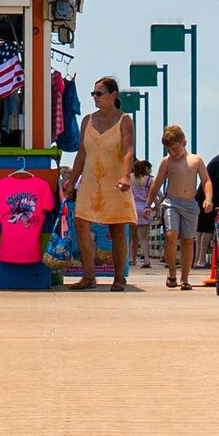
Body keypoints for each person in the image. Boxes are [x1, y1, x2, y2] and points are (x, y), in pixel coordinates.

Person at [72, 76, 140, 290]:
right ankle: (89, 276)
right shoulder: (87, 121)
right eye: (93, 93)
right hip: (91, 181)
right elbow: (81, 154)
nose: (95, 97)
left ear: (113, 95)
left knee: (117, 228)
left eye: (99, 93)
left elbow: (128, 150)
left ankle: (119, 278)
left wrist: (125, 175)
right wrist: (71, 182)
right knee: (81, 224)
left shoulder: (124, 120)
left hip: (114, 181)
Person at [156, 126, 207, 288]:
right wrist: (148, 204)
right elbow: (157, 183)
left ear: (184, 142)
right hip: (171, 202)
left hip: (190, 204)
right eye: (169, 150)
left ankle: (185, 278)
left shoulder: (196, 160)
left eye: (175, 149)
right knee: (171, 235)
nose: (173, 153)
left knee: (187, 240)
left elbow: (206, 181)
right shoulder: (167, 162)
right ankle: (172, 274)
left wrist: (209, 199)